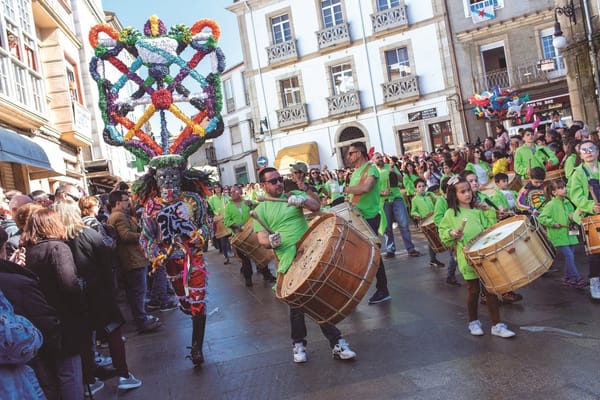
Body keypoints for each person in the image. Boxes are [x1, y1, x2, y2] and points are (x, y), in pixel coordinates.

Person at [253, 167, 356, 363]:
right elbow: (262, 239)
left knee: (314, 298)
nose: (278, 183)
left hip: (310, 252)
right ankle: (321, 342)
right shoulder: (261, 209)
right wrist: (270, 241)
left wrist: (303, 200)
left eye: (279, 179)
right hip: (289, 260)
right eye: (272, 181)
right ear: (263, 185)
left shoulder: (292, 195)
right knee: (299, 303)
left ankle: (311, 343)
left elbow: (316, 207)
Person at [55, 199, 141, 394]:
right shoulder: (89, 234)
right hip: (99, 293)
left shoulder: (59, 240)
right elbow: (107, 263)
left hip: (76, 296)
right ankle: (124, 375)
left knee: (85, 339)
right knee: (113, 333)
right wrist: (112, 290)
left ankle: (89, 380)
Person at [136, 154, 214, 366]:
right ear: (155, 179)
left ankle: (197, 347)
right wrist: (155, 254)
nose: (168, 180)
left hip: (193, 258)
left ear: (180, 176)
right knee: (185, 303)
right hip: (171, 262)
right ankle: (186, 306)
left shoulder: (194, 200)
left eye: (172, 176)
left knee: (197, 300)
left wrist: (202, 234)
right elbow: (147, 236)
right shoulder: (151, 206)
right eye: (163, 177)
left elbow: (207, 223)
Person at [438, 176, 516, 338]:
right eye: (463, 191)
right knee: (473, 291)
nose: (468, 194)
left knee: (491, 290)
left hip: (484, 255)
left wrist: (487, 211)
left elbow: (489, 228)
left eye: (469, 191)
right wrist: (452, 233)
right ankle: (473, 322)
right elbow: (443, 233)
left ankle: (497, 325)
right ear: (454, 194)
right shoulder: (450, 213)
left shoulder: (477, 210)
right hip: (467, 258)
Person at [21, 208, 86, 400]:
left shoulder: (29, 250)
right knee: (70, 374)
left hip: (39, 319)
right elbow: (69, 284)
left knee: (50, 378)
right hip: (63, 319)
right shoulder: (58, 248)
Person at [334, 142, 391, 304]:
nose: (348, 156)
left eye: (350, 153)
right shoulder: (355, 172)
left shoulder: (370, 169)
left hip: (370, 216)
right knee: (358, 254)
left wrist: (343, 190)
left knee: (373, 254)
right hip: (358, 216)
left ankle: (383, 289)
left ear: (359, 153)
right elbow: (356, 194)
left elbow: (366, 188)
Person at [107, 190, 162, 334]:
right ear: (118, 203)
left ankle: (141, 318)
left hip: (133, 259)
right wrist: (145, 235)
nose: (128, 202)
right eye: (126, 200)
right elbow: (125, 236)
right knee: (138, 292)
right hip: (132, 260)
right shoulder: (118, 216)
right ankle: (141, 321)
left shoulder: (118, 216)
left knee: (136, 293)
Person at [566, 140, 600, 301]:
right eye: (584, 150)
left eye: (591, 149)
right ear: (580, 155)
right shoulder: (578, 173)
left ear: (597, 151)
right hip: (590, 217)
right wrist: (590, 206)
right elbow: (575, 195)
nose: (588, 152)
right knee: (595, 253)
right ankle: (595, 282)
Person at [224, 185, 275, 286]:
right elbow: (226, 221)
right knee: (245, 259)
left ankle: (267, 275)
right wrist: (235, 225)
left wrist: (252, 203)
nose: (232, 193)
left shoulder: (246, 202)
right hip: (239, 236)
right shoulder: (228, 207)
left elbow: (259, 207)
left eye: (234, 191)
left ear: (240, 193)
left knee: (260, 254)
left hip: (252, 232)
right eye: (231, 192)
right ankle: (248, 278)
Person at [372, 153, 421, 259]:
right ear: (373, 160)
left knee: (403, 224)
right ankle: (390, 249)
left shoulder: (390, 166)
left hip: (396, 198)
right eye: (377, 158)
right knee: (387, 227)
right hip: (383, 201)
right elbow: (372, 188)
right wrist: (382, 193)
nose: (380, 159)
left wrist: (394, 172)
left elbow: (401, 180)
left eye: (380, 157)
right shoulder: (373, 172)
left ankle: (410, 249)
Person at [539, 180, 585, 288]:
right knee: (569, 255)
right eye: (560, 188)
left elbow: (572, 216)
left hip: (570, 233)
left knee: (571, 256)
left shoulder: (568, 202)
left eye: (564, 187)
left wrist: (573, 216)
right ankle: (577, 278)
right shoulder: (550, 205)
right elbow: (542, 218)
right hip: (558, 235)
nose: (564, 189)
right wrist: (553, 223)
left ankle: (567, 278)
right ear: (554, 192)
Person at [411, 178, 445, 268]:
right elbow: (413, 211)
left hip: (435, 219)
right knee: (431, 241)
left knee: (444, 235)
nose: (422, 188)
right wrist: (417, 215)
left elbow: (438, 200)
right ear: (416, 188)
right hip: (426, 223)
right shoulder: (414, 200)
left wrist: (434, 195)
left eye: (423, 186)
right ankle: (433, 259)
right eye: (419, 186)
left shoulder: (430, 195)